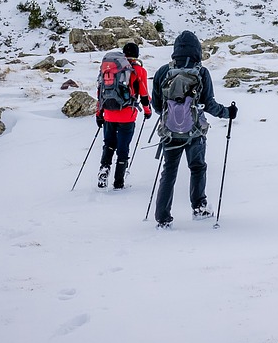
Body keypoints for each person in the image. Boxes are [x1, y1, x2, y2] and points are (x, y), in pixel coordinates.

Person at [151, 30, 237, 228]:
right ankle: (199, 207)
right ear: (197, 50)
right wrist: (228, 113)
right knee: (197, 167)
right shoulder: (201, 72)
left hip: (170, 133)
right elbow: (210, 105)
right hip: (195, 132)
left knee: (169, 172)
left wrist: (173, 115)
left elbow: (157, 106)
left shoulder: (163, 72)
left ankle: (162, 218)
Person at [96, 42, 152, 190]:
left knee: (109, 144)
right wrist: (147, 111)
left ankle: (104, 170)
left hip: (108, 113)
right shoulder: (139, 70)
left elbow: (100, 92)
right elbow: (144, 95)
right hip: (127, 116)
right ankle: (119, 182)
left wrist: (99, 113)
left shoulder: (111, 69)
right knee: (123, 147)